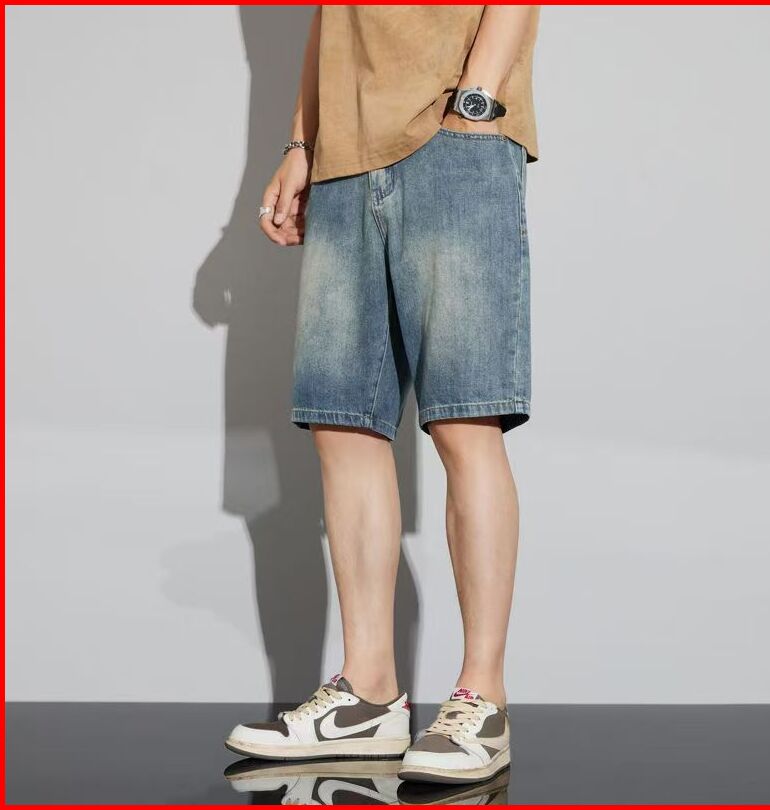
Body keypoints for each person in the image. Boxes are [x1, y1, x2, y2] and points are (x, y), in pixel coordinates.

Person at [226, 5, 540, 785]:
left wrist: (476, 100)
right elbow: (329, 19)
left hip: (455, 140)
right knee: (344, 424)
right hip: (342, 155)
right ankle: (367, 694)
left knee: (465, 417)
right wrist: (302, 143)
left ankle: (483, 697)